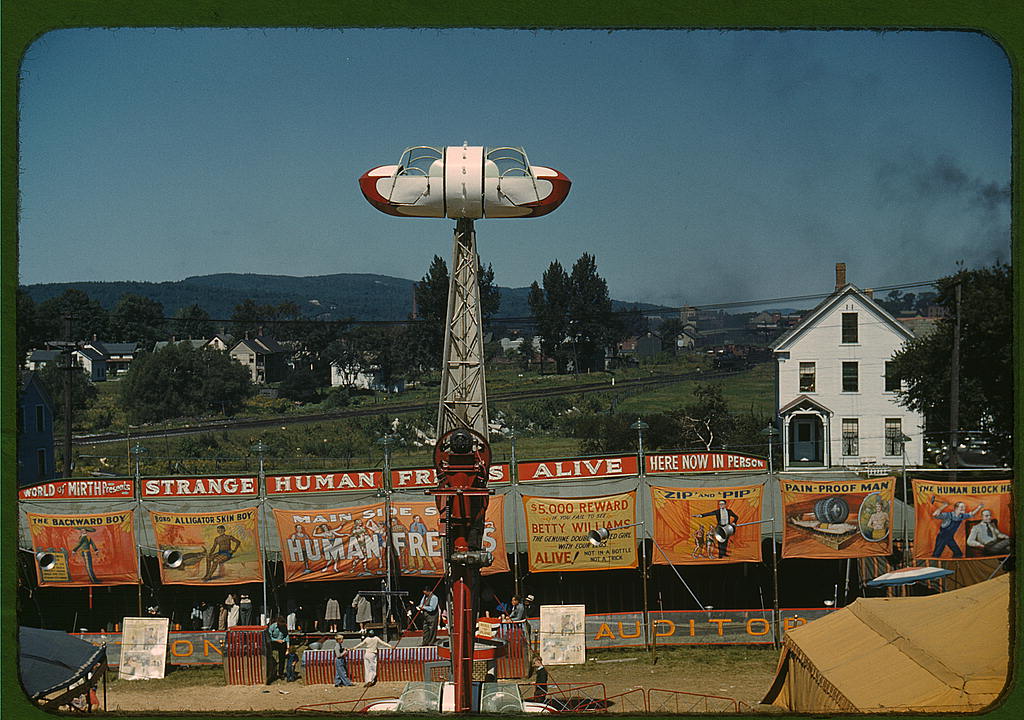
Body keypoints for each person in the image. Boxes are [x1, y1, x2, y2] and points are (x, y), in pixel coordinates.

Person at [266, 616, 290, 684]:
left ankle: (281, 673)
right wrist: (277, 640)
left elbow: (286, 636)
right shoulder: (272, 626)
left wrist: (288, 647)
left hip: (282, 642)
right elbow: (269, 637)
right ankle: (271, 672)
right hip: (274, 642)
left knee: (282, 658)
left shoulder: (284, 627)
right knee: (271, 657)